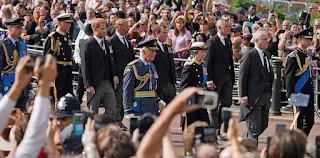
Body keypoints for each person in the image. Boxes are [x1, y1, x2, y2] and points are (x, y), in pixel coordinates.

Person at [238, 30, 274, 142]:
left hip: (265, 95)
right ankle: (251, 151)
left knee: (263, 124)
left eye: (267, 39)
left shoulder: (267, 55)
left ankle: (242, 140)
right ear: (257, 41)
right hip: (253, 97)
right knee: (254, 128)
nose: (267, 41)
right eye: (264, 39)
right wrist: (242, 95)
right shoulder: (249, 55)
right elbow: (242, 76)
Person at [204, 19, 235, 141]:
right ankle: (215, 129)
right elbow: (207, 63)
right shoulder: (211, 42)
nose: (228, 29)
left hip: (227, 77)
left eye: (229, 26)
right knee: (212, 105)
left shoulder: (228, 42)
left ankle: (220, 125)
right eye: (226, 26)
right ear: (219, 27)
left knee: (227, 102)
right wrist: (209, 80)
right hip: (215, 79)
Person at [81, 18, 117, 115]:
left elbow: (111, 62)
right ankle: (92, 129)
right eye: (102, 28)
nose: (104, 31)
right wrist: (88, 85)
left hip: (108, 82)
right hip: (95, 84)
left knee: (112, 110)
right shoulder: (87, 45)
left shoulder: (108, 44)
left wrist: (114, 75)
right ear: (94, 28)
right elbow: (84, 66)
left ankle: (105, 129)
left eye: (105, 28)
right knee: (93, 113)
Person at [123, 39, 164, 117]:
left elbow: (152, 87)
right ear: (144, 51)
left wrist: (158, 100)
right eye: (152, 51)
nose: (155, 53)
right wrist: (127, 109)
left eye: (155, 51)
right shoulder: (133, 67)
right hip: (138, 108)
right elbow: (127, 90)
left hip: (152, 108)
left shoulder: (152, 66)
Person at [285, 29, 314, 136]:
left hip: (308, 91)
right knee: (299, 122)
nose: (310, 41)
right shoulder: (293, 56)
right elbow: (289, 77)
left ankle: (300, 141)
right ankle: (295, 145)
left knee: (310, 121)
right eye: (308, 39)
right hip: (299, 92)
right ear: (300, 40)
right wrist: (290, 94)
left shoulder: (308, 55)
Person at [109, 18, 135, 130]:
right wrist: (114, 75)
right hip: (119, 75)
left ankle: (120, 120)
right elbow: (111, 60)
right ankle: (116, 121)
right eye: (125, 26)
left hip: (128, 75)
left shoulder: (127, 41)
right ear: (119, 27)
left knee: (126, 98)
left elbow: (131, 58)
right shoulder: (112, 41)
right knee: (118, 99)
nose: (128, 28)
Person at [0, 17, 31, 111]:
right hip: (8, 87)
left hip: (23, 88)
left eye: (21, 27)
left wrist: (29, 88)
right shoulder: (3, 45)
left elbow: (26, 68)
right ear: (10, 29)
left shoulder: (22, 44)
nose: (20, 30)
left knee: (23, 117)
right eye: (18, 27)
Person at [43, 13, 74, 104]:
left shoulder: (66, 36)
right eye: (67, 23)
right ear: (60, 23)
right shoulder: (53, 37)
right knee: (58, 94)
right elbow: (47, 56)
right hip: (58, 69)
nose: (69, 25)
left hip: (67, 68)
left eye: (70, 23)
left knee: (68, 92)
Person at [180, 42, 210, 127]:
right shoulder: (189, 67)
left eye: (205, 52)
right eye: (202, 52)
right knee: (190, 124)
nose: (204, 54)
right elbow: (183, 86)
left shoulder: (202, 66)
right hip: (191, 100)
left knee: (206, 123)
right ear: (195, 53)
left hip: (201, 98)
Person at [153, 24, 176, 104]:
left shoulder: (167, 47)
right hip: (160, 83)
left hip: (170, 82)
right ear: (157, 34)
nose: (166, 35)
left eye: (167, 33)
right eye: (164, 33)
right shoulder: (153, 47)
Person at [74, 24, 93, 104]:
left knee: (80, 85)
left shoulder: (81, 40)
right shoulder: (90, 41)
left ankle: (78, 100)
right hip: (88, 65)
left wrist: (80, 62)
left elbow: (76, 52)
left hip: (83, 65)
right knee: (83, 84)